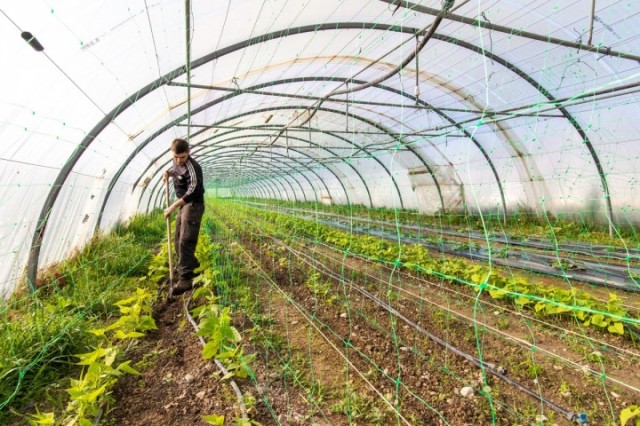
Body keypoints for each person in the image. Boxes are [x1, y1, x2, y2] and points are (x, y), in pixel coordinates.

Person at [163, 138, 205, 296]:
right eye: (176, 157)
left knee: (185, 240)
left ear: (189, 152)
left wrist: (173, 206)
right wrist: (167, 173)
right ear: (172, 153)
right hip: (183, 205)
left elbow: (193, 190)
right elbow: (176, 171)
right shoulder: (176, 163)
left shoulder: (193, 167)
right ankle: (193, 266)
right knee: (177, 241)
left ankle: (185, 279)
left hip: (193, 204)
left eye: (182, 157)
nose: (179, 160)